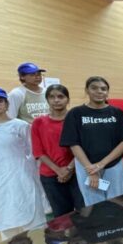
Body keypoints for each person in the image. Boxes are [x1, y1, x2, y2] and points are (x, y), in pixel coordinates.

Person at [0, 86, 46, 239]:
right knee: (4, 214)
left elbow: (34, 152)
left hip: (22, 174)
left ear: (6, 104)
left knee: (30, 213)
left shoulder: (20, 126)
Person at [60, 76, 123, 206]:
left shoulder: (117, 113)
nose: (99, 91)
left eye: (103, 89)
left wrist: (100, 165)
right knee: (94, 203)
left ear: (107, 92)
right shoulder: (75, 113)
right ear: (87, 90)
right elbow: (73, 143)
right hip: (85, 166)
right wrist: (90, 169)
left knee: (117, 201)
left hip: (113, 165)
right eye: (94, 88)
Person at [31, 84, 84, 217]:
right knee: (61, 216)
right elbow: (38, 152)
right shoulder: (38, 122)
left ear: (68, 99)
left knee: (84, 212)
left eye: (61, 96)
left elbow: (84, 147)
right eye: (52, 97)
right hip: (50, 175)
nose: (56, 100)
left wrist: (69, 169)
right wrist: (58, 170)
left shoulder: (77, 120)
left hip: (77, 172)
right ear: (47, 100)